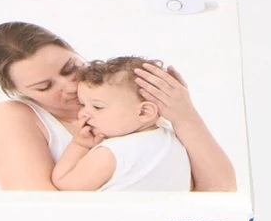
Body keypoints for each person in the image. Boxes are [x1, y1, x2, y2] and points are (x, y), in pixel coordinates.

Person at [0, 21, 236, 192]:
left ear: (72, 49)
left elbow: (221, 192)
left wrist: (184, 114)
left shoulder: (126, 101)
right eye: (44, 87)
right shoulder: (10, 118)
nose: (69, 86)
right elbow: (42, 213)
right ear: (17, 92)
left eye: (70, 68)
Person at [51, 57, 192, 191]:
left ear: (144, 112)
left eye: (98, 107)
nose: (83, 114)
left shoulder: (109, 153)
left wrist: (79, 144)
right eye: (82, 104)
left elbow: (64, 182)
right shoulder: (175, 139)